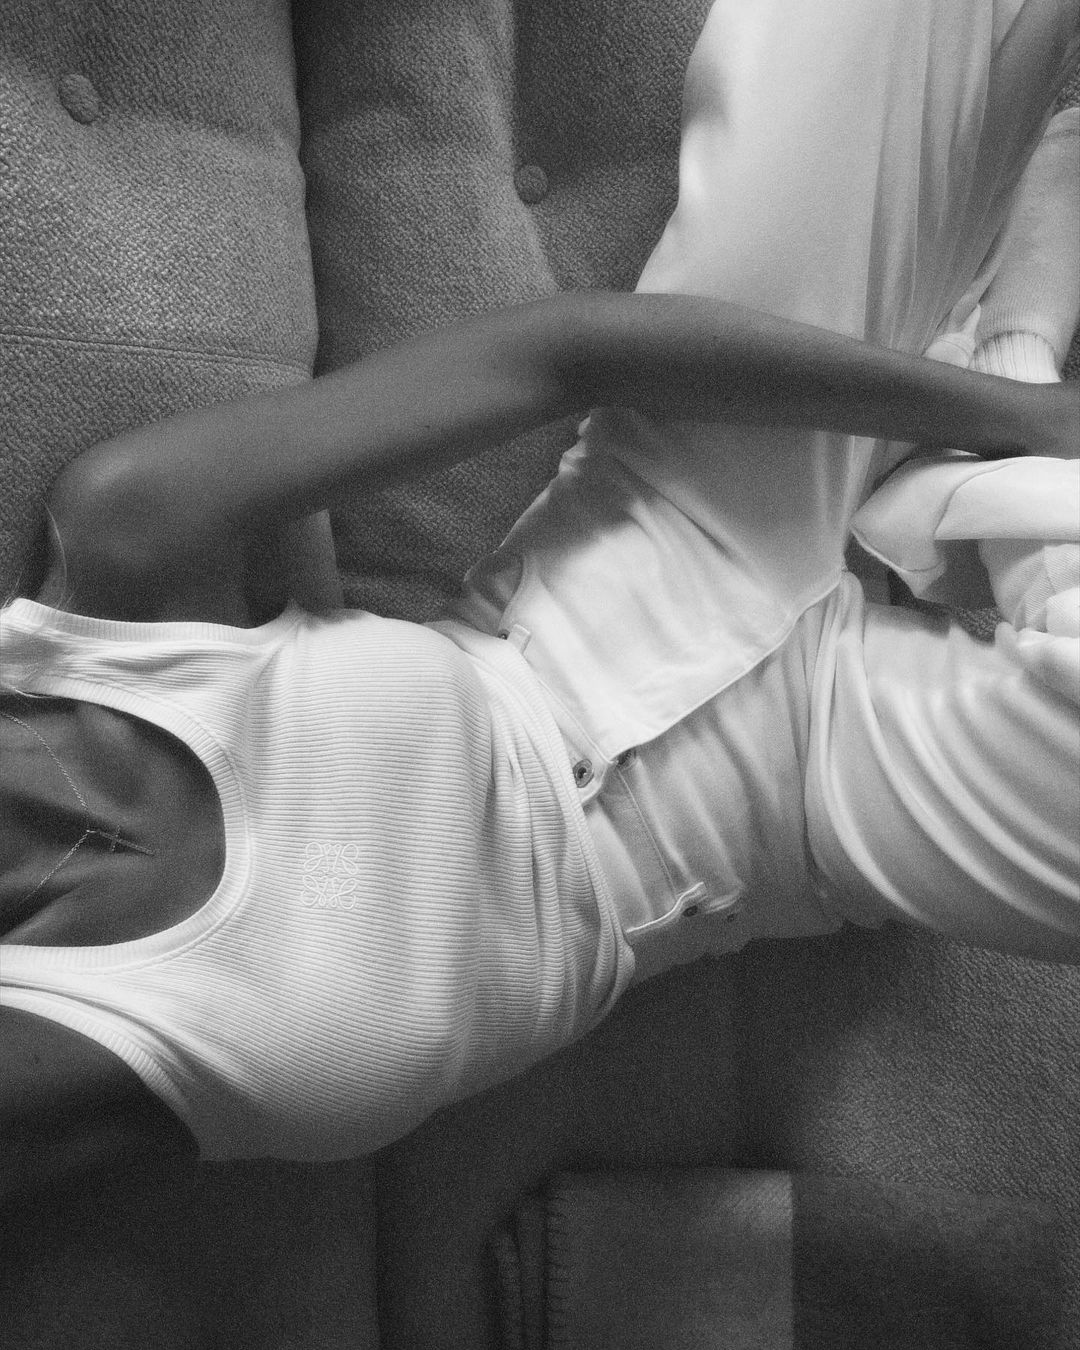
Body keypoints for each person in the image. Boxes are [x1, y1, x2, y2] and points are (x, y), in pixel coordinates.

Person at [1, 0, 1078, 1187]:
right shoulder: (62, 1041)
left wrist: (1020, 416)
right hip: (798, 809)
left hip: (678, 528)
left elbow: (561, 356)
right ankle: (1004, 404)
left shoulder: (121, 537)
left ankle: (1001, 391)